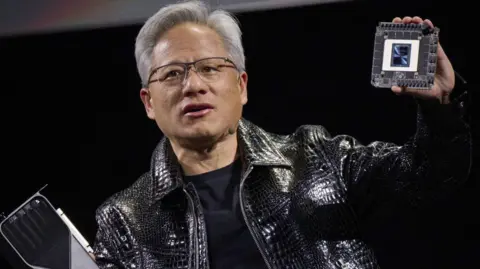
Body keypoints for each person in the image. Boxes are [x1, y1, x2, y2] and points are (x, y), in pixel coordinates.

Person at [91, 0, 471, 268]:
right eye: (172, 73)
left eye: (209, 68)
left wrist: (439, 109)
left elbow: (429, 176)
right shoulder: (126, 219)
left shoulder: (317, 157)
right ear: (148, 102)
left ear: (241, 86)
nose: (192, 85)